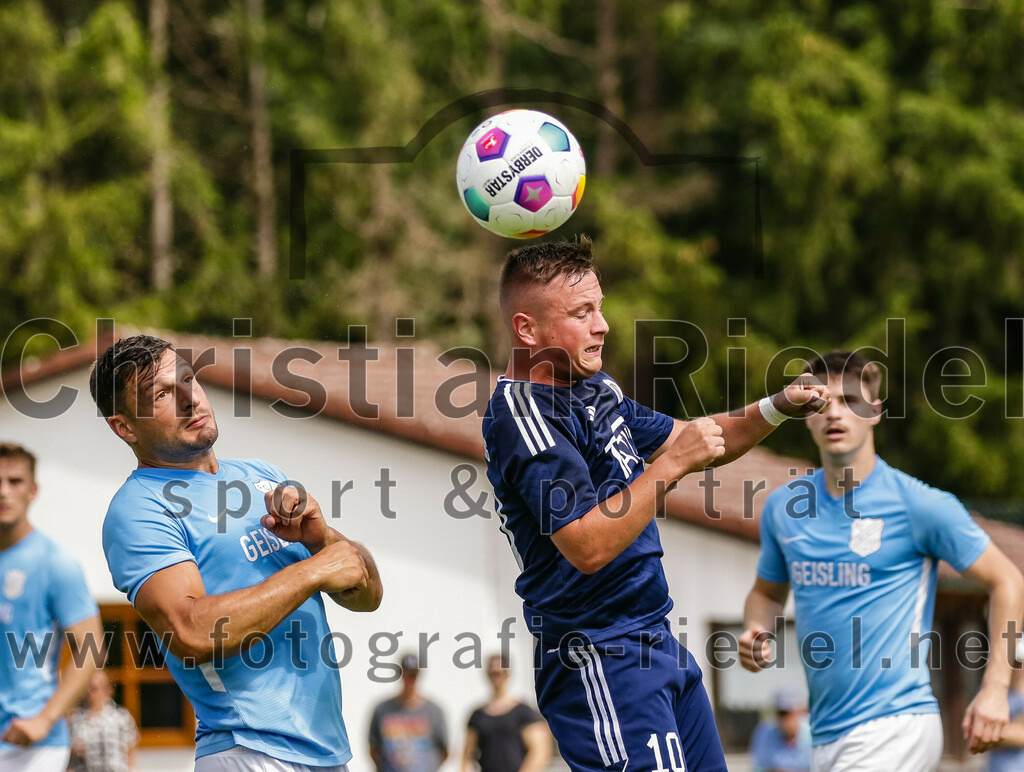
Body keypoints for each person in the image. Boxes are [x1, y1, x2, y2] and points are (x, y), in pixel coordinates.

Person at [481, 237, 830, 772]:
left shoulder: (597, 390)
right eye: (581, 313)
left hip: (655, 639)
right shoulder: (521, 414)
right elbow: (586, 544)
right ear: (527, 329)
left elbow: (700, 439)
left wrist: (778, 405)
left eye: (600, 307)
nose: (602, 325)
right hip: (598, 654)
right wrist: (668, 468)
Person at [90, 335, 383, 771]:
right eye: (164, 394)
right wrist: (310, 572)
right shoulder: (138, 509)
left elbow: (368, 596)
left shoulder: (261, 475)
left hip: (326, 752)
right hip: (247, 750)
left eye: (188, 379)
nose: (191, 398)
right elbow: (190, 632)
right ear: (125, 427)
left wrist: (321, 539)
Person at [740, 350, 1024, 770]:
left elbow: (1008, 581)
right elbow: (766, 593)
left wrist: (996, 689)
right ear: (804, 413)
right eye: (820, 402)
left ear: (874, 411)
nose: (835, 413)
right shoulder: (785, 508)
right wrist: (755, 630)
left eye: (850, 400)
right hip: (826, 735)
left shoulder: (919, 505)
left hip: (896, 725)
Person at [0, 442, 104, 772]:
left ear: (33, 490)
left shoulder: (56, 564)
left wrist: (45, 719)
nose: (3, 492)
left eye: (14, 481)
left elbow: (90, 649)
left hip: (28, 747)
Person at [461, 655, 551, 772]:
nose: (496, 676)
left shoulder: (524, 713)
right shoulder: (477, 715)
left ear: (507, 674)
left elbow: (540, 752)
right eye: (492, 673)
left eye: (499, 672)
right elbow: (466, 757)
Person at [368, 654, 448, 772]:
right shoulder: (383, 710)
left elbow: (444, 751)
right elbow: (374, 748)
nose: (410, 680)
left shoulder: (434, 711)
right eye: (406, 674)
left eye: (413, 675)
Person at [68, 670, 140, 772]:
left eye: (95, 689)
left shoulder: (121, 717)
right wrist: (73, 751)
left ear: (108, 690)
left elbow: (130, 754)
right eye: (88, 687)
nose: (90, 693)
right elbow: (66, 757)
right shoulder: (73, 718)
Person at [748, 689, 811, 772]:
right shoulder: (764, 732)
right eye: (780, 714)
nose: (784, 719)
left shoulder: (814, 731)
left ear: (800, 711)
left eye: (788, 713)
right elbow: (757, 768)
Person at [986, 641, 1024, 771]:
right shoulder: (993, 696)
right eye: (1014, 663)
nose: (1018, 668)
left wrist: (991, 731)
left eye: (1020, 662)